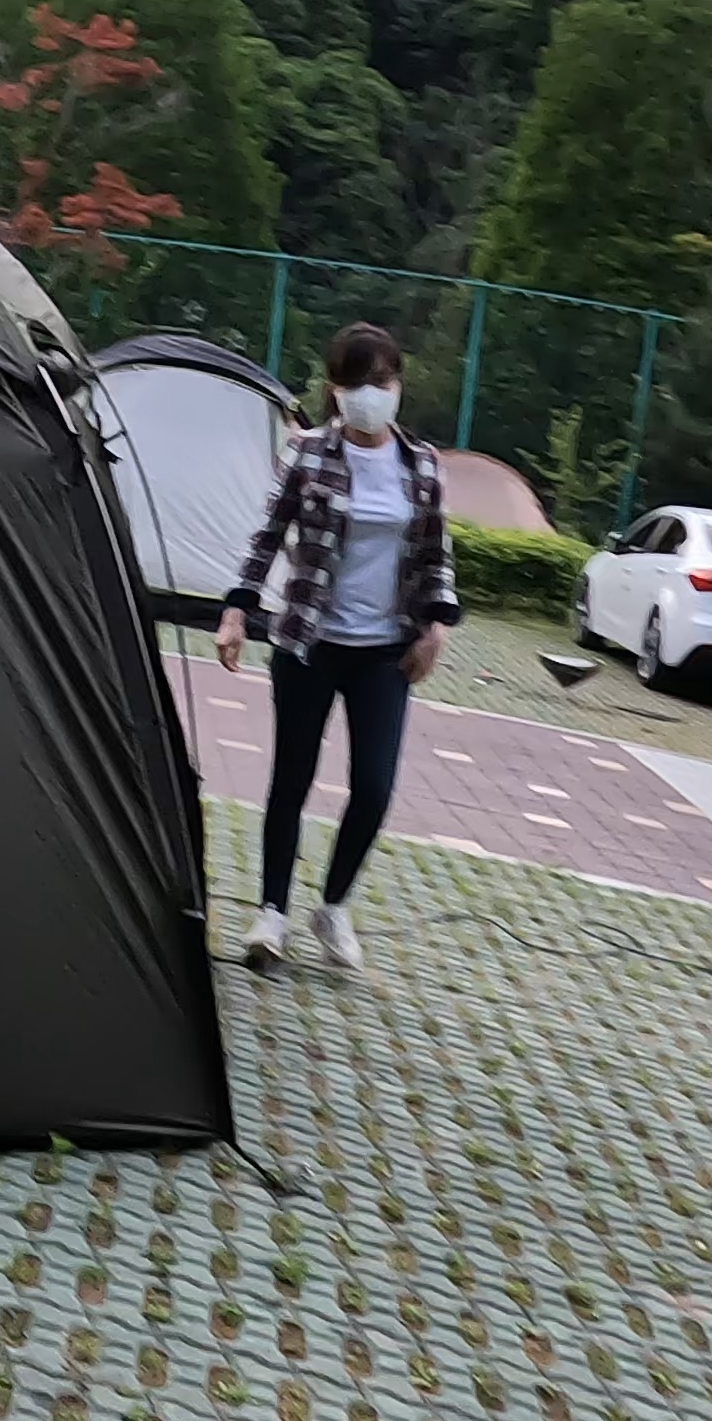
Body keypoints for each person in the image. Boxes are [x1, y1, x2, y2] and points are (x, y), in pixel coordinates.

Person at [216, 321, 459, 971]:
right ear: (334, 389)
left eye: (381, 380)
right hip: (309, 642)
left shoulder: (421, 465)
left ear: (398, 384)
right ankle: (272, 913)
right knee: (290, 779)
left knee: (374, 787)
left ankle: (333, 906)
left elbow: (436, 555)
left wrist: (436, 627)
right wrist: (237, 610)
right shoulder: (307, 453)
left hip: (385, 652)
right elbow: (267, 536)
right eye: (356, 383)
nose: (370, 394)